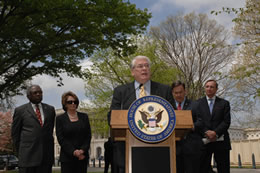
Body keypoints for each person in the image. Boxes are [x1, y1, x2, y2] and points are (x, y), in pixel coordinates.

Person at [109, 55, 174, 173]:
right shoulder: (121, 91)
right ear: (132, 72)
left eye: (146, 66)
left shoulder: (164, 90)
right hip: (128, 147)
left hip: (159, 147)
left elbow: (173, 116)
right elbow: (112, 117)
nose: (144, 69)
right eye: (140, 66)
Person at [12, 85, 56, 173]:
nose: (38, 94)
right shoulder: (20, 111)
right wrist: (21, 152)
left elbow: (49, 131)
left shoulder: (50, 110)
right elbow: (15, 135)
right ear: (28, 96)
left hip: (45, 158)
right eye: (35, 93)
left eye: (40, 92)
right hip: (27, 158)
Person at [196, 79, 231, 173]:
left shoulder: (224, 103)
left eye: (212, 87)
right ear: (204, 88)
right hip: (204, 142)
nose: (209, 89)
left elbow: (226, 122)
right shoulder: (197, 103)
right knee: (203, 169)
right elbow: (197, 121)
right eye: (207, 86)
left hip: (221, 142)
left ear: (216, 89)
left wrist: (215, 133)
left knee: (224, 169)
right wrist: (206, 132)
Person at [171, 81, 203, 173]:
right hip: (175, 148)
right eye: (176, 93)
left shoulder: (195, 105)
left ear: (185, 92)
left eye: (180, 92)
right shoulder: (168, 106)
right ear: (172, 93)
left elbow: (201, 121)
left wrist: (192, 126)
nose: (178, 95)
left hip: (192, 147)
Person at [56, 91, 92, 173]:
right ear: (65, 104)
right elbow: (61, 138)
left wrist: (82, 150)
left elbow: (88, 135)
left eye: (75, 102)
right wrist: (74, 151)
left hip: (82, 157)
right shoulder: (60, 119)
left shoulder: (84, 117)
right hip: (67, 157)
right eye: (70, 102)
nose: (73, 103)